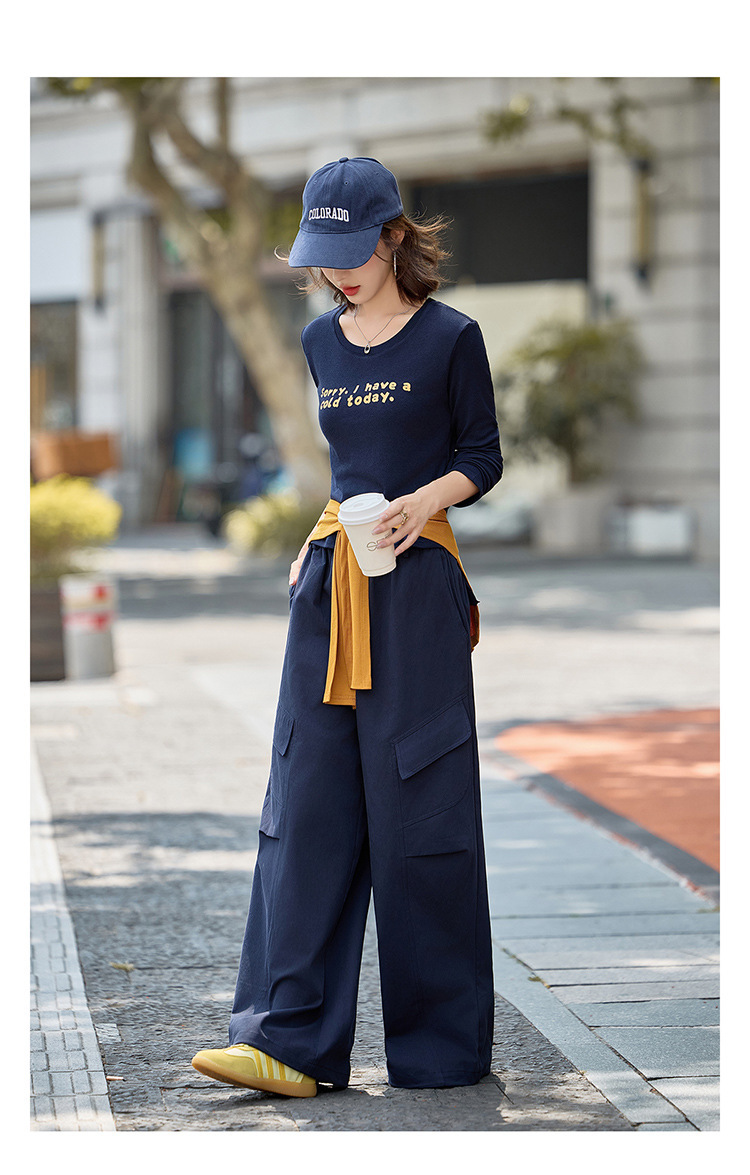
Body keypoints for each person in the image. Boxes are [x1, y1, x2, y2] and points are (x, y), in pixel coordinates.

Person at [191, 156, 503, 1098]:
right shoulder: (320, 341)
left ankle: (441, 1046)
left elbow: (482, 457)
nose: (338, 271)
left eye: (353, 250)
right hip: (333, 580)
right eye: (322, 256)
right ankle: (285, 1039)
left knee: (422, 805)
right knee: (306, 801)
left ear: (393, 235)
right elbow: (343, 470)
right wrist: (314, 540)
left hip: (418, 584)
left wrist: (423, 502)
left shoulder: (452, 336)